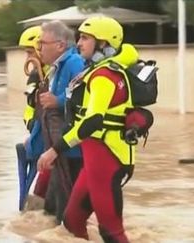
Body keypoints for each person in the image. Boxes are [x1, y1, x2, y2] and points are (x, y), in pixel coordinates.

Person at [37, 16, 141, 242]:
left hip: (107, 159)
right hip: (95, 160)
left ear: (103, 43)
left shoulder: (104, 76)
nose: (79, 43)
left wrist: (55, 149)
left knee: (111, 232)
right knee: (72, 221)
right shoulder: (100, 71)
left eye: (85, 38)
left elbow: (92, 121)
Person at [36, 20, 85, 224]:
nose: (38, 49)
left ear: (60, 45)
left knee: (65, 205)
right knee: (53, 205)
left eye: (42, 43)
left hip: (70, 149)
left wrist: (58, 101)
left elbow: (82, 96)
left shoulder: (73, 63)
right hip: (59, 147)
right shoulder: (56, 67)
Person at [16, 26, 50, 210]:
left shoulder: (57, 72)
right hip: (42, 136)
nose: (27, 57)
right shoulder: (37, 75)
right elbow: (30, 107)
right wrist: (32, 126)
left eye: (30, 52)